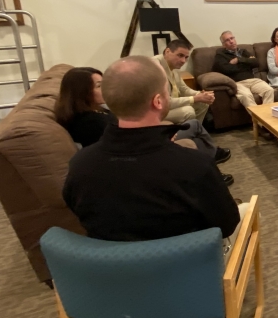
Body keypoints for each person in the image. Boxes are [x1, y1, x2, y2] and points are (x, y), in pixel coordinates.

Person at [63, 55, 245, 251]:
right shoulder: (194, 165)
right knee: (246, 212)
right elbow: (226, 224)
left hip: (115, 272)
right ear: (158, 101)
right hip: (187, 269)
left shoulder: (79, 165)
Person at [54, 67, 234, 186]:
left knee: (193, 127)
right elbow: (123, 147)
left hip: (142, 141)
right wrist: (158, 136)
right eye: (100, 85)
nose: (106, 89)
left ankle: (212, 160)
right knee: (194, 136)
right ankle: (212, 168)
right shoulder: (90, 123)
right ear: (81, 91)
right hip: (144, 149)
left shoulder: (94, 111)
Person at [214, 30, 275, 138]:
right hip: (237, 83)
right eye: (227, 40)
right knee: (246, 96)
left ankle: (267, 122)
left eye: (232, 38)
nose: (231, 41)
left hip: (253, 80)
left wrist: (238, 60)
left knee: (269, 90)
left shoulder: (243, 51)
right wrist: (246, 62)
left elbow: (256, 63)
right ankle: (262, 125)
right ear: (224, 44)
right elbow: (226, 69)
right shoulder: (220, 55)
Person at [152, 39, 212, 125]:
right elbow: (165, 102)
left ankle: (193, 131)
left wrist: (201, 95)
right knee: (188, 111)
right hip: (156, 111)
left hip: (169, 106)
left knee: (203, 103)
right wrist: (194, 98)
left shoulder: (173, 66)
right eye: (180, 55)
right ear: (167, 51)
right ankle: (184, 135)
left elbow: (184, 89)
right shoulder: (156, 67)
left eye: (186, 57)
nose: (183, 61)